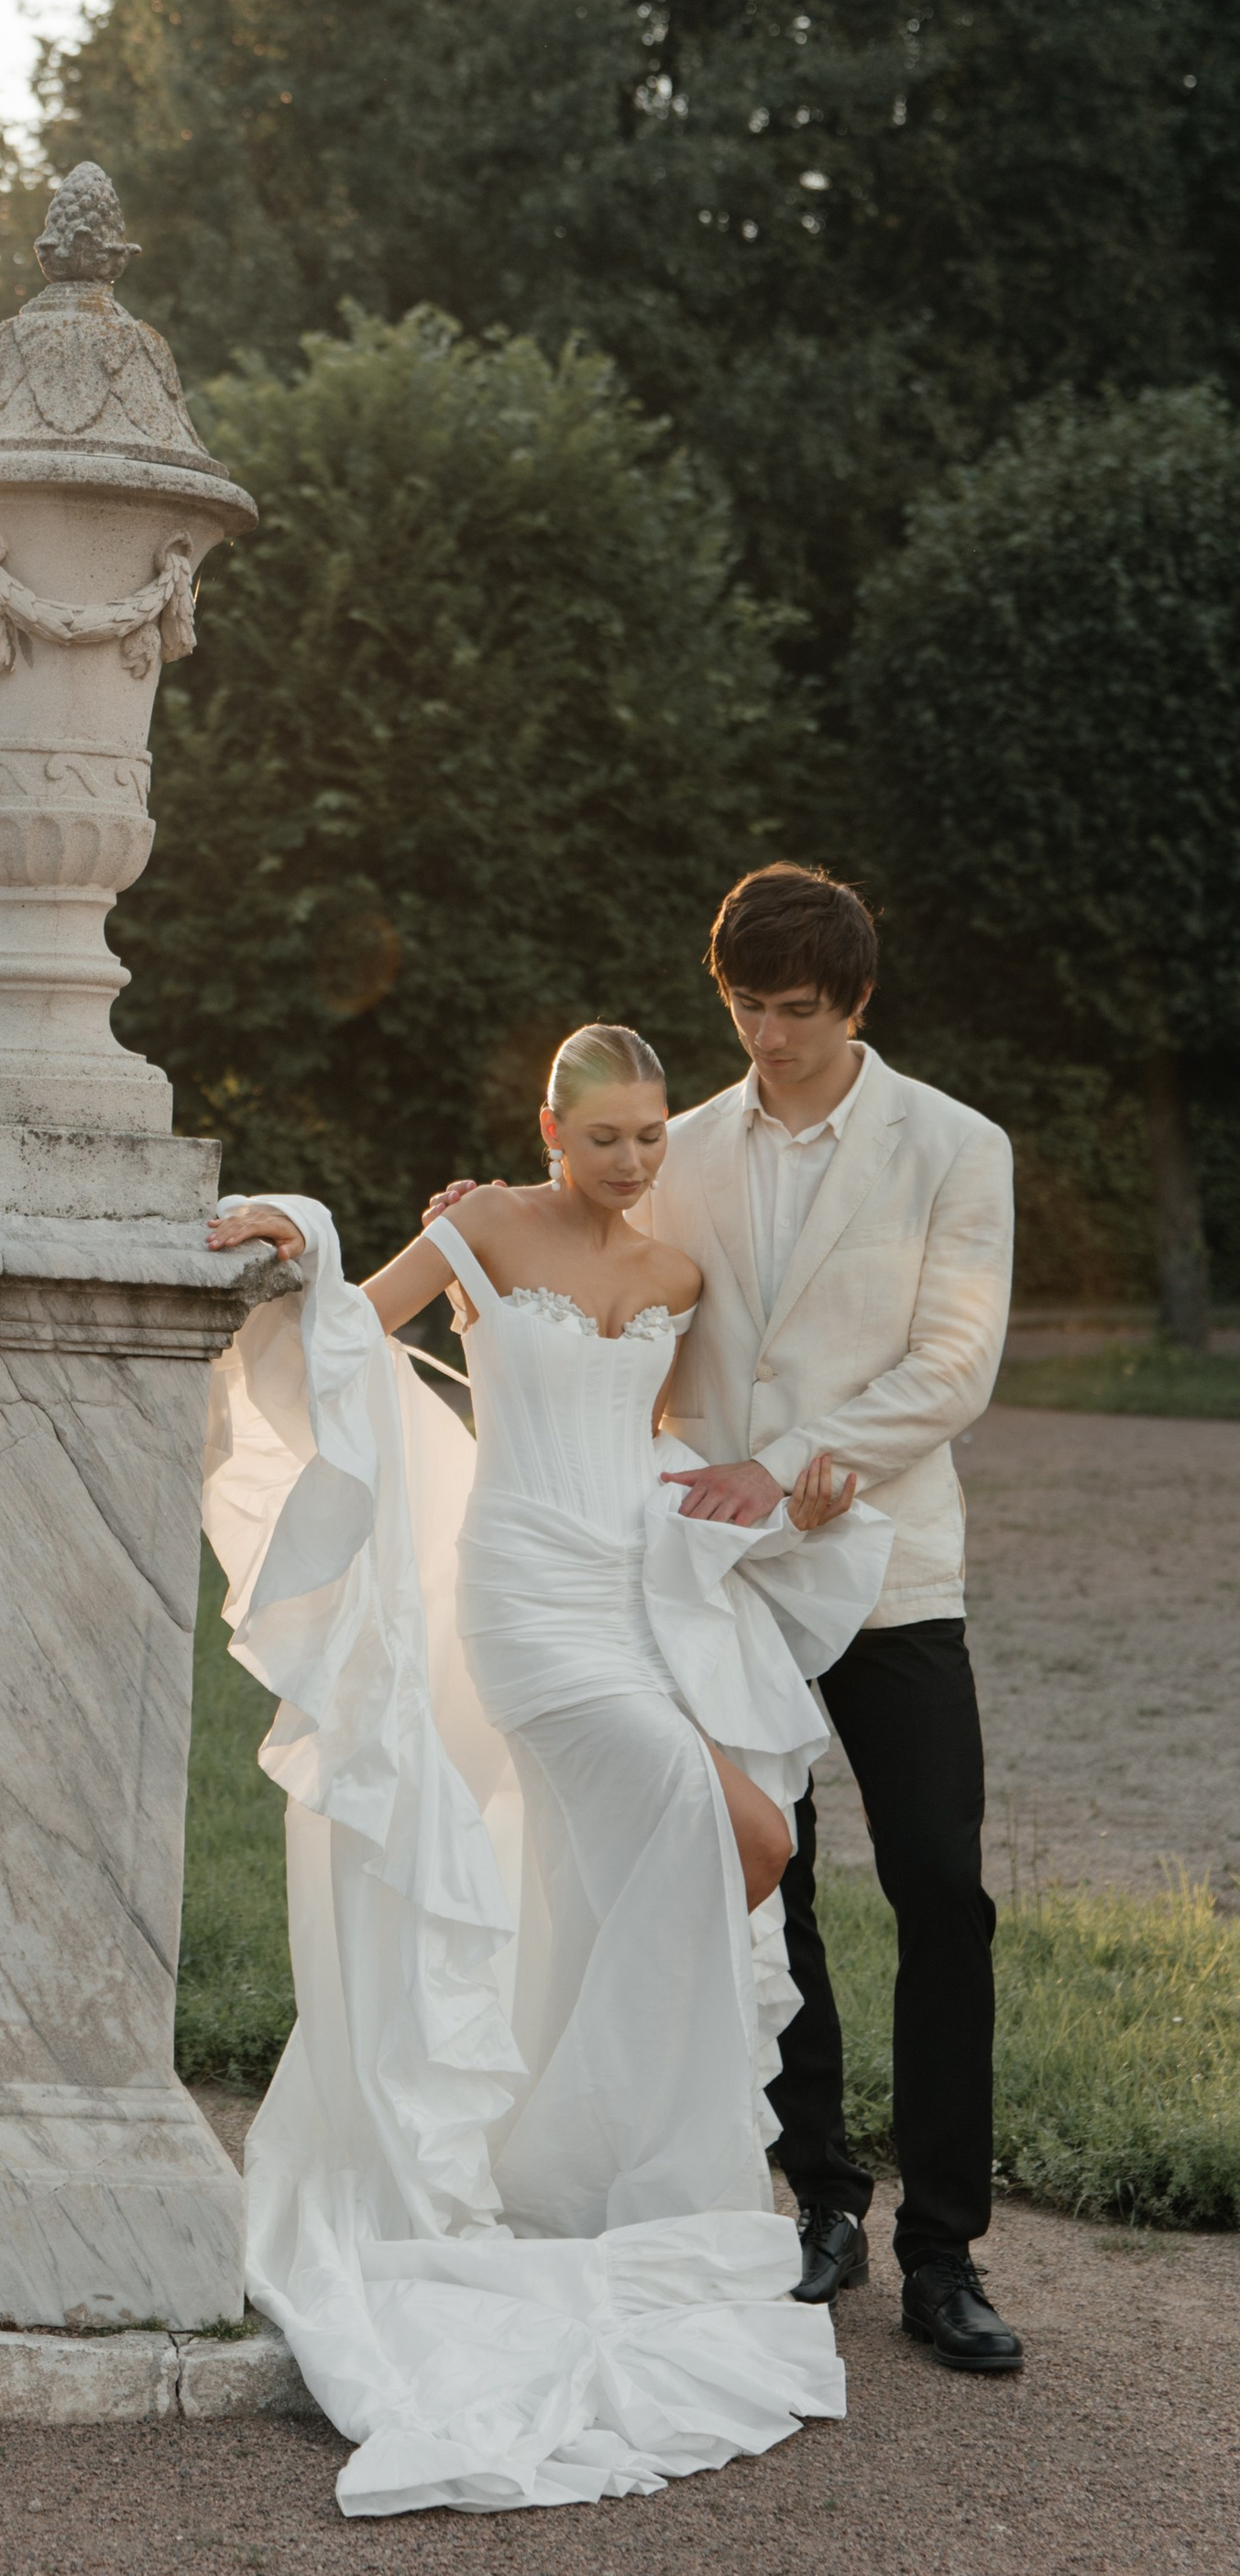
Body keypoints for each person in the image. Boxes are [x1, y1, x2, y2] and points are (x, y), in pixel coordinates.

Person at [203, 1021, 891, 2516]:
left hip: (628, 1591)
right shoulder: (481, 1224)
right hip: (521, 1604)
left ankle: (570, 2164)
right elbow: (353, 1325)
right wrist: (296, 1230)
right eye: (605, 1140)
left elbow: (666, 1446)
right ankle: (607, 2165)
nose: (633, 1164)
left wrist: (796, 1496)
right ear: (548, 1130)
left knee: (736, 1849)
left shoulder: (677, 1277)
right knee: (735, 1832)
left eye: (650, 1137)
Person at [636, 863, 1020, 2371]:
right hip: (731, 1581)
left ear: (857, 1002)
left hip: (891, 1565)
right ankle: (822, 2204)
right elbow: (606, 1273)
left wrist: (790, 1465)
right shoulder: (681, 1148)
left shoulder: (957, 1146)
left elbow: (954, 1366)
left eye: (796, 1010)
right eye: (744, 1005)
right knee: (764, 1879)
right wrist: (486, 1226)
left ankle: (947, 2254)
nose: (769, 1035)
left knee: (941, 1887)